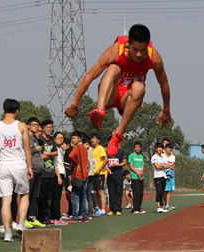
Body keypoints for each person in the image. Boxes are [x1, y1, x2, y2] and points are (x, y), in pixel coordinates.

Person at [64, 24, 172, 156]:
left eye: (143, 50)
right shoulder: (115, 51)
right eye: (135, 50)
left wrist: (166, 109)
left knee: (139, 87)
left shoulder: (154, 57)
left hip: (128, 100)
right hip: (111, 94)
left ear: (147, 46)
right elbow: (90, 76)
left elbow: (164, 84)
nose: (139, 54)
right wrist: (75, 104)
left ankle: (118, 133)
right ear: (128, 45)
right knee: (114, 68)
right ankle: (100, 110)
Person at [0, 99, 33, 242]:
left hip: (3, 164)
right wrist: (30, 167)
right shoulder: (21, 126)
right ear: (17, 111)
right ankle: (20, 224)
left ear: (3, 110)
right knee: (24, 195)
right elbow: (27, 148)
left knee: (6, 199)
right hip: (19, 163)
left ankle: (7, 233)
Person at [68, 131, 90, 221]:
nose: (73, 140)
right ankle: (85, 216)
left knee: (75, 196)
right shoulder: (84, 148)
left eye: (75, 138)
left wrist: (76, 163)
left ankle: (75, 216)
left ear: (80, 139)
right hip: (85, 174)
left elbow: (70, 156)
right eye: (72, 138)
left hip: (78, 175)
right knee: (84, 196)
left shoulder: (77, 147)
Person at [106, 138, 127, 215]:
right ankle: (112, 209)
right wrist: (108, 170)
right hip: (110, 174)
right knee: (111, 192)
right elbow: (105, 162)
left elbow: (124, 162)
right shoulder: (108, 152)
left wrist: (118, 165)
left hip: (118, 173)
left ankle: (118, 209)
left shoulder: (121, 151)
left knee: (118, 192)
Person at [90, 134, 108, 216]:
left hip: (100, 174)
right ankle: (98, 208)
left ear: (98, 140)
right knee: (96, 192)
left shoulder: (100, 148)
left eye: (94, 138)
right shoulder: (92, 150)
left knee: (100, 191)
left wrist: (99, 169)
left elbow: (106, 159)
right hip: (93, 174)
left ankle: (103, 210)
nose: (92, 140)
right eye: (92, 138)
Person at [128, 142, 146, 214]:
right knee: (136, 192)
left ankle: (139, 208)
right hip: (135, 177)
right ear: (134, 147)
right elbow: (131, 166)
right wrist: (138, 174)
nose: (137, 148)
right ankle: (134, 209)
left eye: (139, 147)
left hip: (141, 177)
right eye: (136, 147)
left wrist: (141, 173)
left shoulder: (141, 156)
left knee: (141, 193)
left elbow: (143, 165)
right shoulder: (131, 156)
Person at [151, 143, 169, 212]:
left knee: (163, 192)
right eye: (158, 147)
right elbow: (157, 167)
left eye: (161, 148)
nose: (160, 149)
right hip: (157, 176)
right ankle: (158, 207)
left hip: (164, 176)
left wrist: (162, 166)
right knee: (159, 192)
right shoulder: (154, 157)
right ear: (156, 149)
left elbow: (168, 165)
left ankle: (162, 206)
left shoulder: (163, 156)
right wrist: (163, 166)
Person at [163, 143, 176, 211]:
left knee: (170, 190)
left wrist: (173, 173)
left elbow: (172, 165)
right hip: (164, 174)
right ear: (165, 149)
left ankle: (167, 205)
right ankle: (163, 204)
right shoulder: (162, 156)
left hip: (170, 174)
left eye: (170, 148)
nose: (169, 150)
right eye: (167, 148)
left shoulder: (173, 157)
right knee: (165, 190)